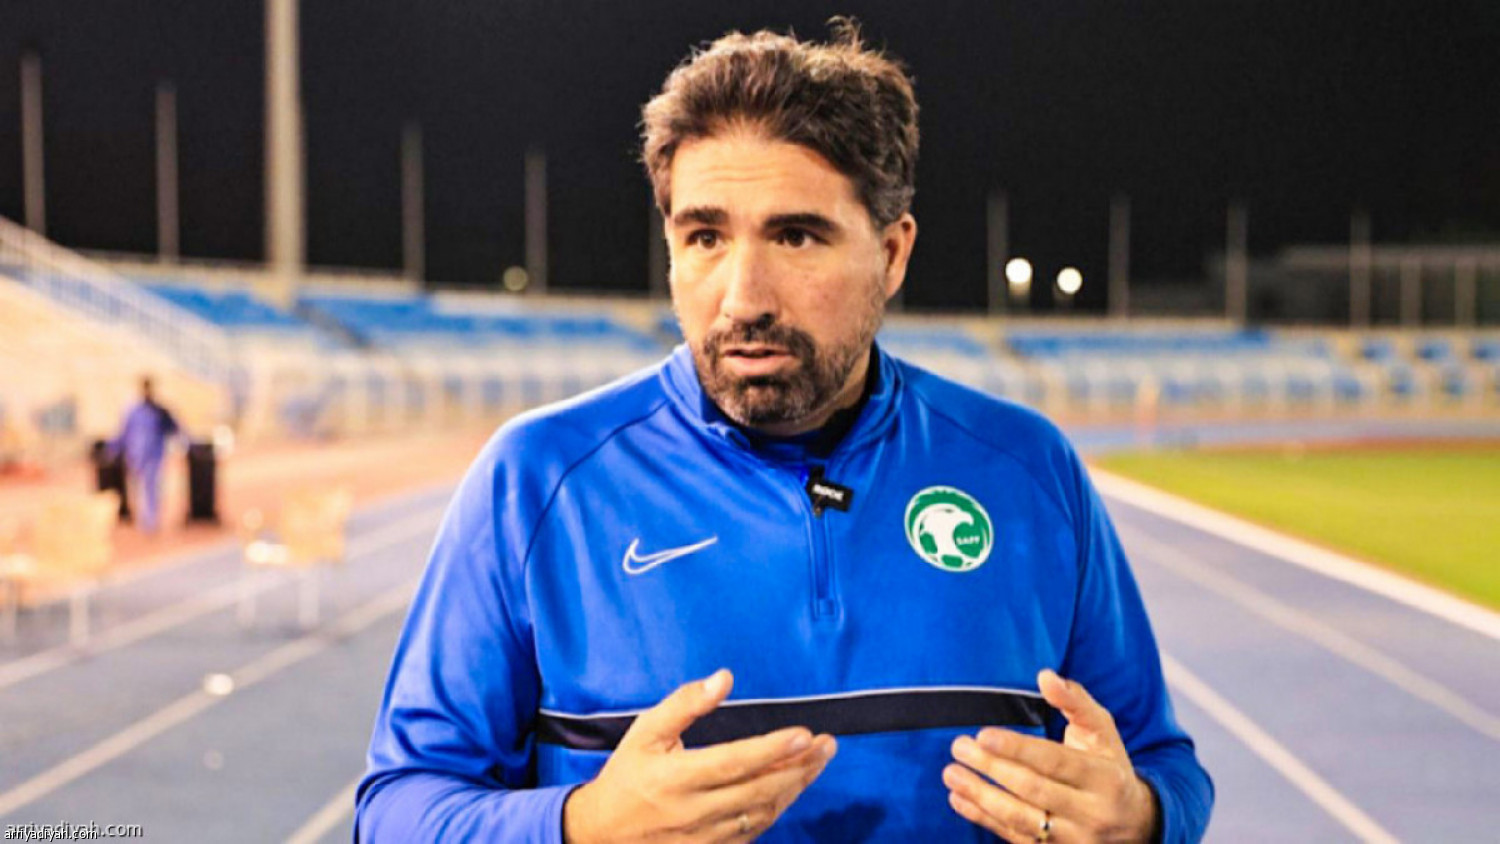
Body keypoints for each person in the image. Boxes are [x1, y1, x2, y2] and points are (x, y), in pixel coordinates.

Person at [358, 21, 1212, 843]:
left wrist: (1141, 819)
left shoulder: (1028, 470)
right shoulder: (538, 481)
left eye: (796, 236)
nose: (743, 298)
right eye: (704, 237)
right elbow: (395, 808)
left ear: (892, 253)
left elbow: (1161, 766)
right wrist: (580, 827)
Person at [108, 377, 181, 534]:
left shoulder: (159, 411)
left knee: (152, 488)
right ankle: (143, 520)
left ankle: (151, 521)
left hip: (154, 457)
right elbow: (124, 432)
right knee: (137, 489)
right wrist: (113, 448)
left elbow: (175, 429)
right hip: (135, 457)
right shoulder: (133, 411)